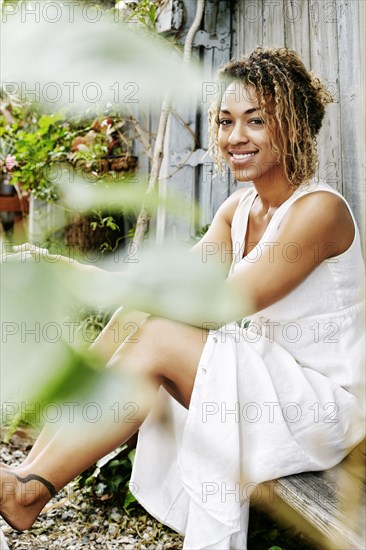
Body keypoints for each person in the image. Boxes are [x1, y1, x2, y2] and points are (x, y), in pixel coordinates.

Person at [0, 47, 364, 549]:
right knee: (138, 318)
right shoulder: (240, 208)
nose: (235, 137)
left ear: (294, 123)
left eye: (255, 121)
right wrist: (66, 270)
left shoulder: (320, 210)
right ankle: (28, 478)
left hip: (321, 410)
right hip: (267, 386)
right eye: (225, 121)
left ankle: (31, 487)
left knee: (153, 335)